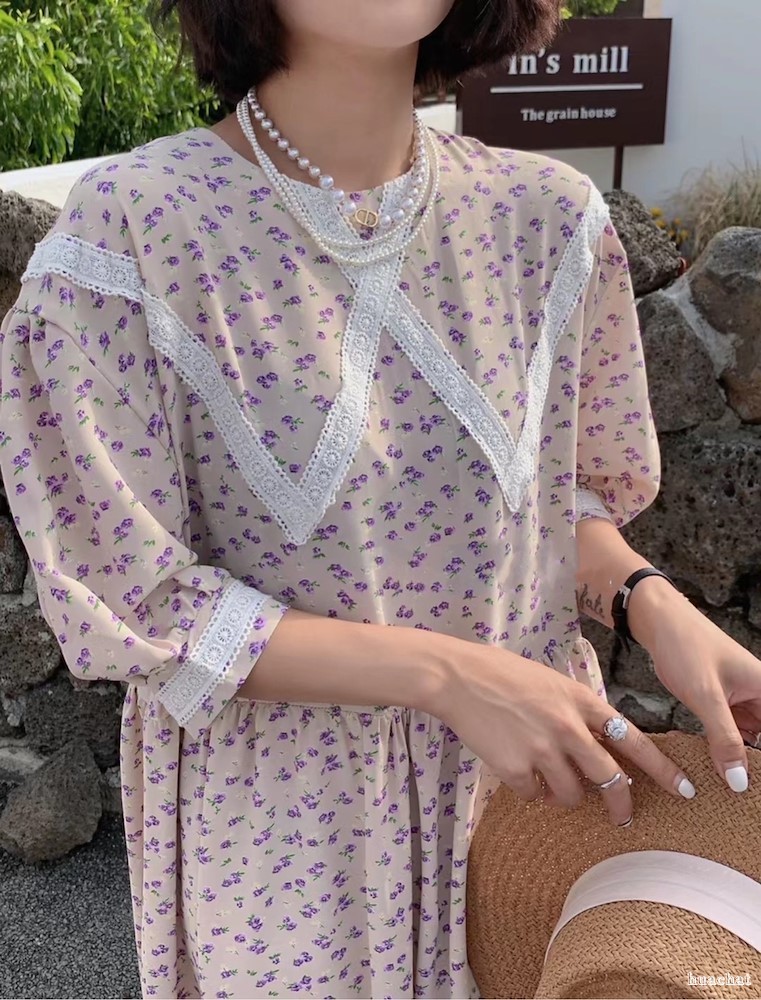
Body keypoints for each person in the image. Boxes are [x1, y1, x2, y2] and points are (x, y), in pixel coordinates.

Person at [1, 0, 760, 997]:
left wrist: (646, 600)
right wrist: (444, 676)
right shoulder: (131, 234)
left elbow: (554, 501)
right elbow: (138, 600)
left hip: (529, 802)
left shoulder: (550, 220)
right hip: (288, 843)